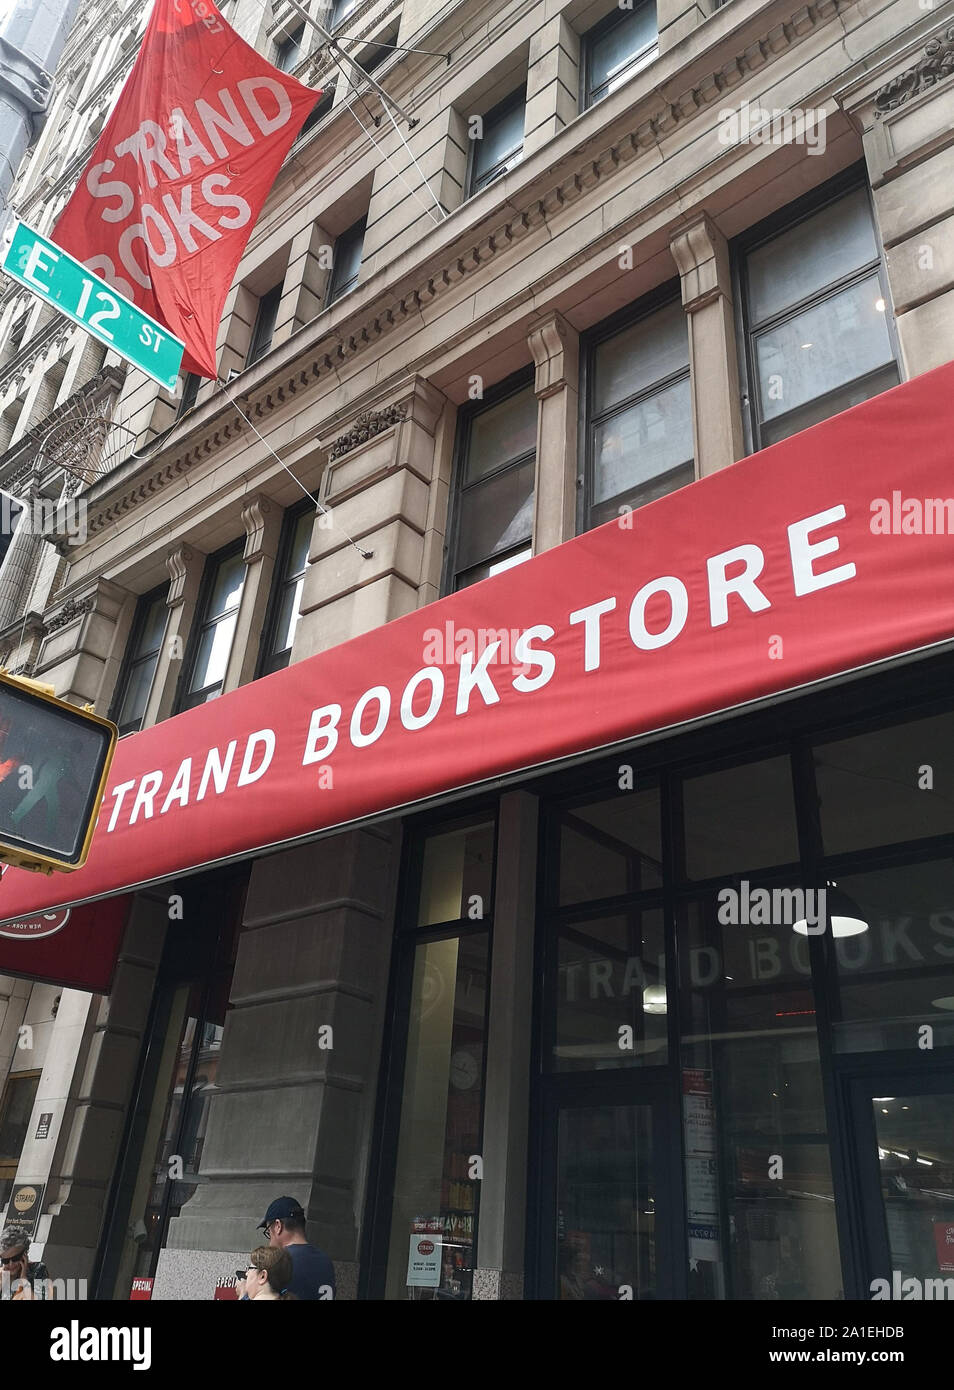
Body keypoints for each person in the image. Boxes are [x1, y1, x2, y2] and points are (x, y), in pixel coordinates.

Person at [258, 1197, 335, 1300]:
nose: (270, 1242)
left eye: (268, 1233)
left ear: (278, 1226)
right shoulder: (326, 1261)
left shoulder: (280, 1261)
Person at [0, 1225, 53, 1300]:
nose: (11, 1264)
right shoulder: (2, 1274)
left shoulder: (38, 1269)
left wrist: (24, 1280)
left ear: (25, 1254)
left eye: (15, 1258)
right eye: (5, 1260)